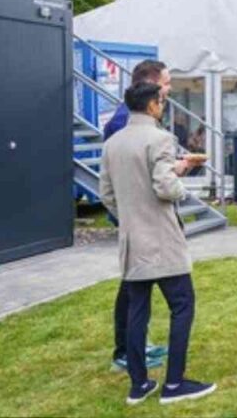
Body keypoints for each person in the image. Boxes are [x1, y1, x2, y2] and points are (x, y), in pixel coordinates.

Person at [99, 82, 216, 405]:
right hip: (161, 238)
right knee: (183, 305)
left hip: (132, 239)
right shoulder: (160, 138)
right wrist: (182, 184)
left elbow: (106, 194)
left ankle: (139, 384)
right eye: (162, 101)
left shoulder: (112, 144)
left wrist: (130, 216)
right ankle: (174, 383)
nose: (163, 106)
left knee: (137, 311)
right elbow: (165, 187)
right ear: (152, 105)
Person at [103, 60, 175, 374]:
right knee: (133, 288)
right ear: (151, 85)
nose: (169, 91)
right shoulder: (124, 124)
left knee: (138, 286)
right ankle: (125, 349)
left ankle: (136, 344)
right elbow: (123, 179)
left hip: (141, 217)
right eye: (166, 84)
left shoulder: (140, 121)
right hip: (139, 220)